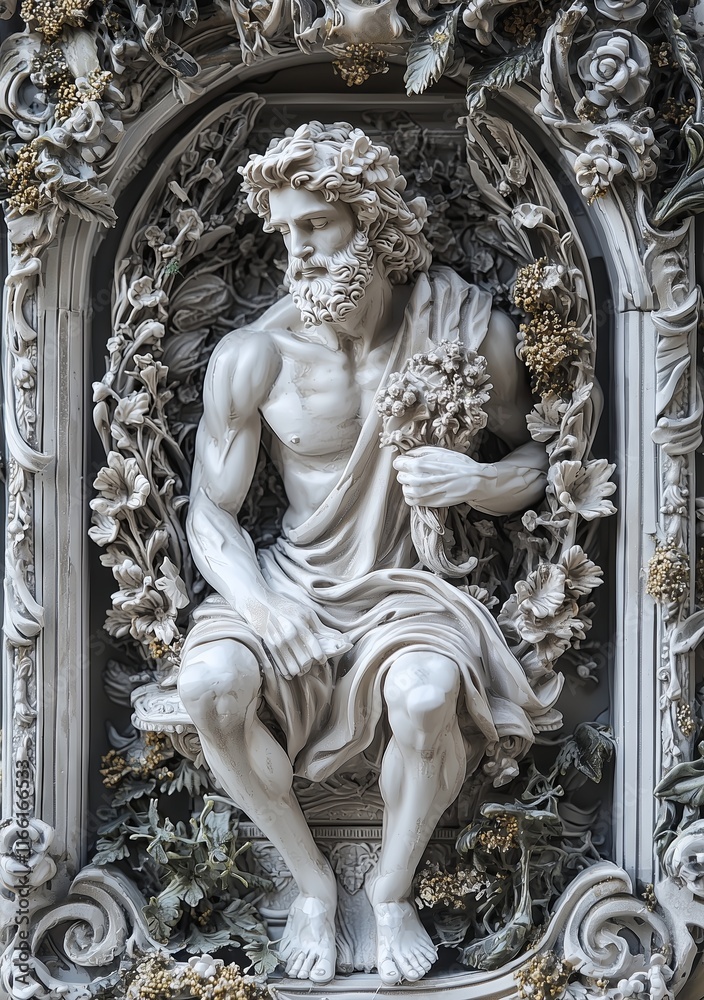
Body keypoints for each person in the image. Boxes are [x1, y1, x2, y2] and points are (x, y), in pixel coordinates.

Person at [177, 121, 561, 986]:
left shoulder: (464, 329)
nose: (298, 251)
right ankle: (312, 885)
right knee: (208, 686)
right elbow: (210, 514)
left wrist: (473, 480)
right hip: (290, 585)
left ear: (373, 220)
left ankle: (391, 892)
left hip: (407, 593)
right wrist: (264, 609)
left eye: (317, 224)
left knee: (424, 695)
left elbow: (540, 463)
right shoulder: (255, 356)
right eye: (286, 230)